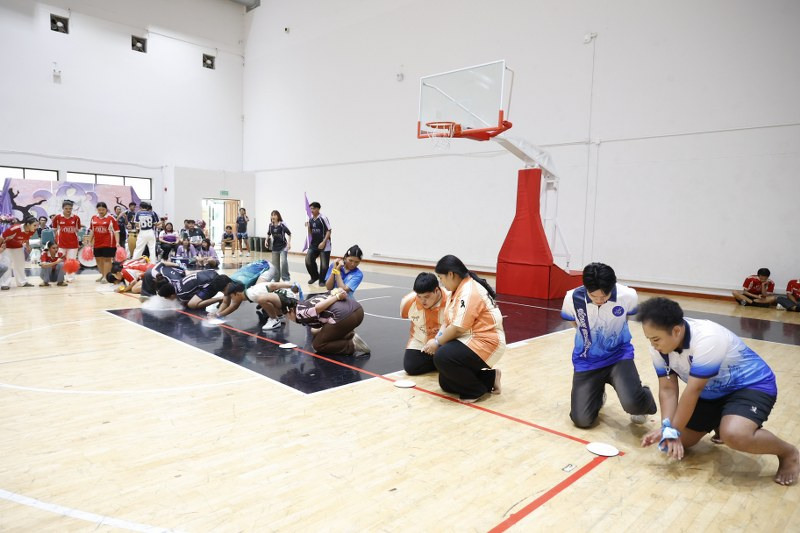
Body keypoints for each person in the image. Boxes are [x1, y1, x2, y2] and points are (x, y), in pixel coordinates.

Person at [638, 297, 799, 486]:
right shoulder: (658, 348)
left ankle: (789, 453)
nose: (653, 345)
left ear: (676, 331)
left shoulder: (708, 338)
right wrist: (667, 428)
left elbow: (693, 390)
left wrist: (673, 429)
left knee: (735, 435)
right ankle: (721, 422)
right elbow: (667, 389)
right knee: (674, 443)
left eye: (656, 339)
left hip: (750, 386)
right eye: (649, 339)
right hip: (710, 392)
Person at [560, 263, 657, 427]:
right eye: (593, 296)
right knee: (582, 421)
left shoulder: (628, 295)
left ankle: (642, 395)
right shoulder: (571, 298)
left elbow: (625, 319)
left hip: (618, 356)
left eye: (604, 296)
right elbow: (574, 323)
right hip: (587, 361)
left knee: (633, 403)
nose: (599, 300)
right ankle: (597, 394)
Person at [422, 255, 504, 403]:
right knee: (446, 382)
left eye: (441, 278)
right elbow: (447, 323)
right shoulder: (455, 291)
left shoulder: (469, 291)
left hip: (487, 342)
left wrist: (437, 343)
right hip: (470, 339)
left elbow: (457, 329)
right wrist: (436, 339)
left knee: (442, 356)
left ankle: (474, 391)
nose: (441, 282)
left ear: (451, 274)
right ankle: (490, 378)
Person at [287, 288, 370, 357]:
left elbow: (317, 308)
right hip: (358, 310)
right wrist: (337, 294)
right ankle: (348, 334)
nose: (288, 318)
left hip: (345, 318)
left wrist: (337, 297)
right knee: (315, 331)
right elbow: (333, 291)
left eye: (286, 315)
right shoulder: (306, 302)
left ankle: (352, 344)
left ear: (290, 310)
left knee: (318, 345)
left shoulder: (300, 313)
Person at [401, 272, 450, 375]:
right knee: (410, 367)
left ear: (436, 290)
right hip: (420, 340)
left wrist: (438, 341)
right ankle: (439, 361)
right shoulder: (407, 302)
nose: (422, 301)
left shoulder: (451, 299)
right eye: (419, 296)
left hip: (446, 341)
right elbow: (405, 315)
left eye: (426, 297)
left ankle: (441, 359)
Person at [157, 270, 232, 310]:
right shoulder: (176, 282)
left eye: (167, 298)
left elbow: (188, 302)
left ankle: (220, 299)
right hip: (211, 273)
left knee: (191, 305)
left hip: (211, 284)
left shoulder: (181, 295)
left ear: (172, 295)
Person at [0, 216, 38, 290]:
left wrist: (27, 245)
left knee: (20, 265)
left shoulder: (32, 230)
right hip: (7, 248)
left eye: (37, 225)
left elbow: (27, 237)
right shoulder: (15, 229)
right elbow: (1, 237)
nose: (36, 227)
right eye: (34, 225)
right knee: (7, 265)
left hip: (19, 247)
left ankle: (22, 282)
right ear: (28, 224)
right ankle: (4, 284)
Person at [88, 202, 120, 283]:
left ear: (106, 209)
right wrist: (89, 241)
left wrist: (117, 242)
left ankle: (106, 277)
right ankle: (103, 275)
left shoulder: (111, 218)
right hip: (97, 243)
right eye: (99, 210)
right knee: (98, 260)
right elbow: (92, 231)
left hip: (109, 243)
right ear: (97, 210)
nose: (101, 211)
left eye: (103, 209)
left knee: (107, 260)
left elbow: (116, 231)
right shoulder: (93, 218)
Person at [52, 200, 81, 280]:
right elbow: (54, 230)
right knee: (59, 260)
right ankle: (59, 277)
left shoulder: (76, 218)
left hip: (73, 244)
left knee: (71, 261)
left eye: (70, 208)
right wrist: (56, 241)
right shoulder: (57, 218)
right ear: (63, 208)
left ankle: (70, 277)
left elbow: (78, 230)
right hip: (61, 244)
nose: (68, 210)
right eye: (66, 208)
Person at [305, 201, 331, 287]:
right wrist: (308, 226)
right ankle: (315, 276)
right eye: (310, 209)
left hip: (324, 244)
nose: (311, 210)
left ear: (318, 209)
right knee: (308, 260)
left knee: (324, 265)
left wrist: (323, 242)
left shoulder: (323, 218)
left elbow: (329, 231)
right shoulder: (311, 219)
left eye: (313, 208)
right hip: (314, 244)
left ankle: (322, 280)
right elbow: (310, 233)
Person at [267, 210, 292, 282]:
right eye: (272, 215)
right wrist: (266, 240)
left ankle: (286, 278)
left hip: (283, 246)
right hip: (275, 247)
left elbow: (289, 234)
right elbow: (268, 233)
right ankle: (276, 278)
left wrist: (289, 243)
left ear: (278, 216)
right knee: (275, 264)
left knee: (284, 262)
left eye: (275, 215)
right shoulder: (270, 225)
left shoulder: (282, 224)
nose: (273, 216)